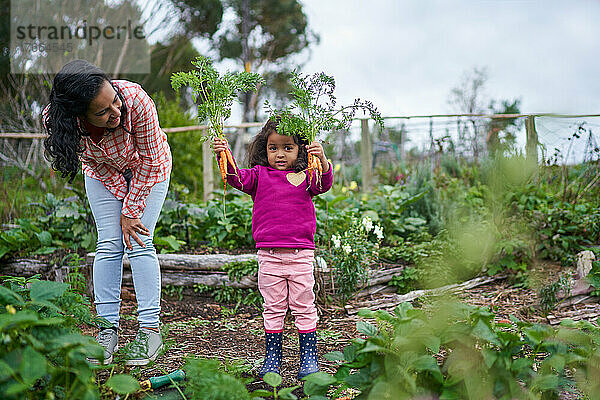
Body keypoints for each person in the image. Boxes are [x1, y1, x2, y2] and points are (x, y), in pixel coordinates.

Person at [42, 59, 171, 366]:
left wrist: (131, 209)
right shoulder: (57, 119)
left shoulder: (136, 100)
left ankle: (150, 331)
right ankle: (106, 331)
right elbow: (88, 162)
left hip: (149, 168)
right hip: (102, 174)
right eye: (102, 112)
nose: (116, 112)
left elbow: (151, 161)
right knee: (109, 244)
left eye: (114, 101)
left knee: (139, 242)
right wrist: (121, 203)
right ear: (79, 114)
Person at [212, 118, 332, 380]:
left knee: (303, 306)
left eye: (288, 148)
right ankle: (273, 358)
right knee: (273, 307)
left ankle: (308, 358)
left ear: (301, 149)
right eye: (273, 148)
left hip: (301, 256)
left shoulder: (308, 176)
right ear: (264, 149)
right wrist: (224, 153)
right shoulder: (258, 176)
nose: (280, 154)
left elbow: (324, 185)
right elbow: (234, 178)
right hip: (269, 257)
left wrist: (322, 160)